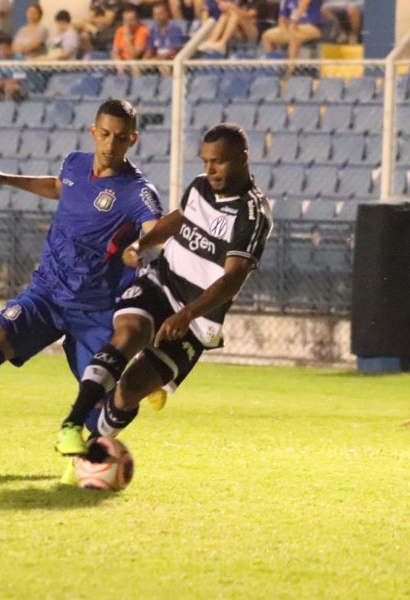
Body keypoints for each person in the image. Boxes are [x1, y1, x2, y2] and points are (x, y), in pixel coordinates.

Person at [0, 99, 163, 471]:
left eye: (120, 138)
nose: (110, 145)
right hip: (47, 294)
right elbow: (60, 187)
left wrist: (142, 247)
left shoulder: (137, 192)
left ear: (133, 140)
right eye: (104, 134)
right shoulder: (74, 163)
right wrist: (5, 178)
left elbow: (157, 229)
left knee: (112, 402)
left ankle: (89, 462)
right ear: (94, 131)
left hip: (97, 311)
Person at [55, 123, 272, 460]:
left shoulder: (252, 213)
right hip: (161, 282)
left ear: (243, 159)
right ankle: (70, 425)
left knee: (129, 391)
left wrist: (187, 314)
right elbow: (179, 219)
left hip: (198, 318)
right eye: (205, 161)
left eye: (219, 162)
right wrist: (143, 242)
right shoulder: (200, 186)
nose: (210, 170)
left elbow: (233, 278)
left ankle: (88, 454)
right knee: (128, 334)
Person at [261, 0, 323, 74]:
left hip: (313, 26)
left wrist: (294, 23)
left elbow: (304, 4)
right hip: (292, 28)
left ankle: (289, 72)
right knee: (267, 36)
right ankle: (273, 67)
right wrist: (285, 34)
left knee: (294, 37)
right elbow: (282, 19)